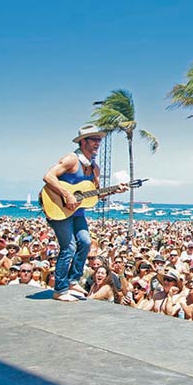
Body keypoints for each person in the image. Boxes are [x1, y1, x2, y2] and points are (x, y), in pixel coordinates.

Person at [42, 124, 128, 302]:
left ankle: (73, 280)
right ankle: (60, 289)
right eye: (94, 139)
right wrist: (67, 194)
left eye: (99, 139)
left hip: (78, 212)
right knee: (69, 247)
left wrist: (114, 190)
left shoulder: (95, 169)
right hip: (58, 208)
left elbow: (96, 193)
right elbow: (48, 176)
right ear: (83, 142)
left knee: (86, 242)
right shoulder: (71, 160)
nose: (98, 142)